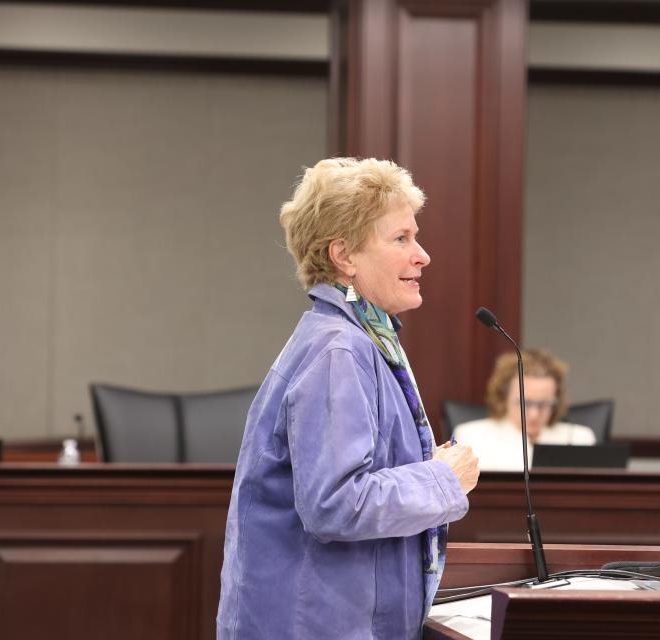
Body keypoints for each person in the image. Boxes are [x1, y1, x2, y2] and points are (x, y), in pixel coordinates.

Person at [215, 158, 478, 640]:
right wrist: (442, 480)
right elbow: (336, 503)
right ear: (344, 256)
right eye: (401, 239)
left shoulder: (358, 339)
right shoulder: (339, 350)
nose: (422, 256)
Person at [453, 348, 595, 471]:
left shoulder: (579, 438)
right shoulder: (471, 438)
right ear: (504, 398)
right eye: (524, 403)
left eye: (543, 404)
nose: (534, 414)